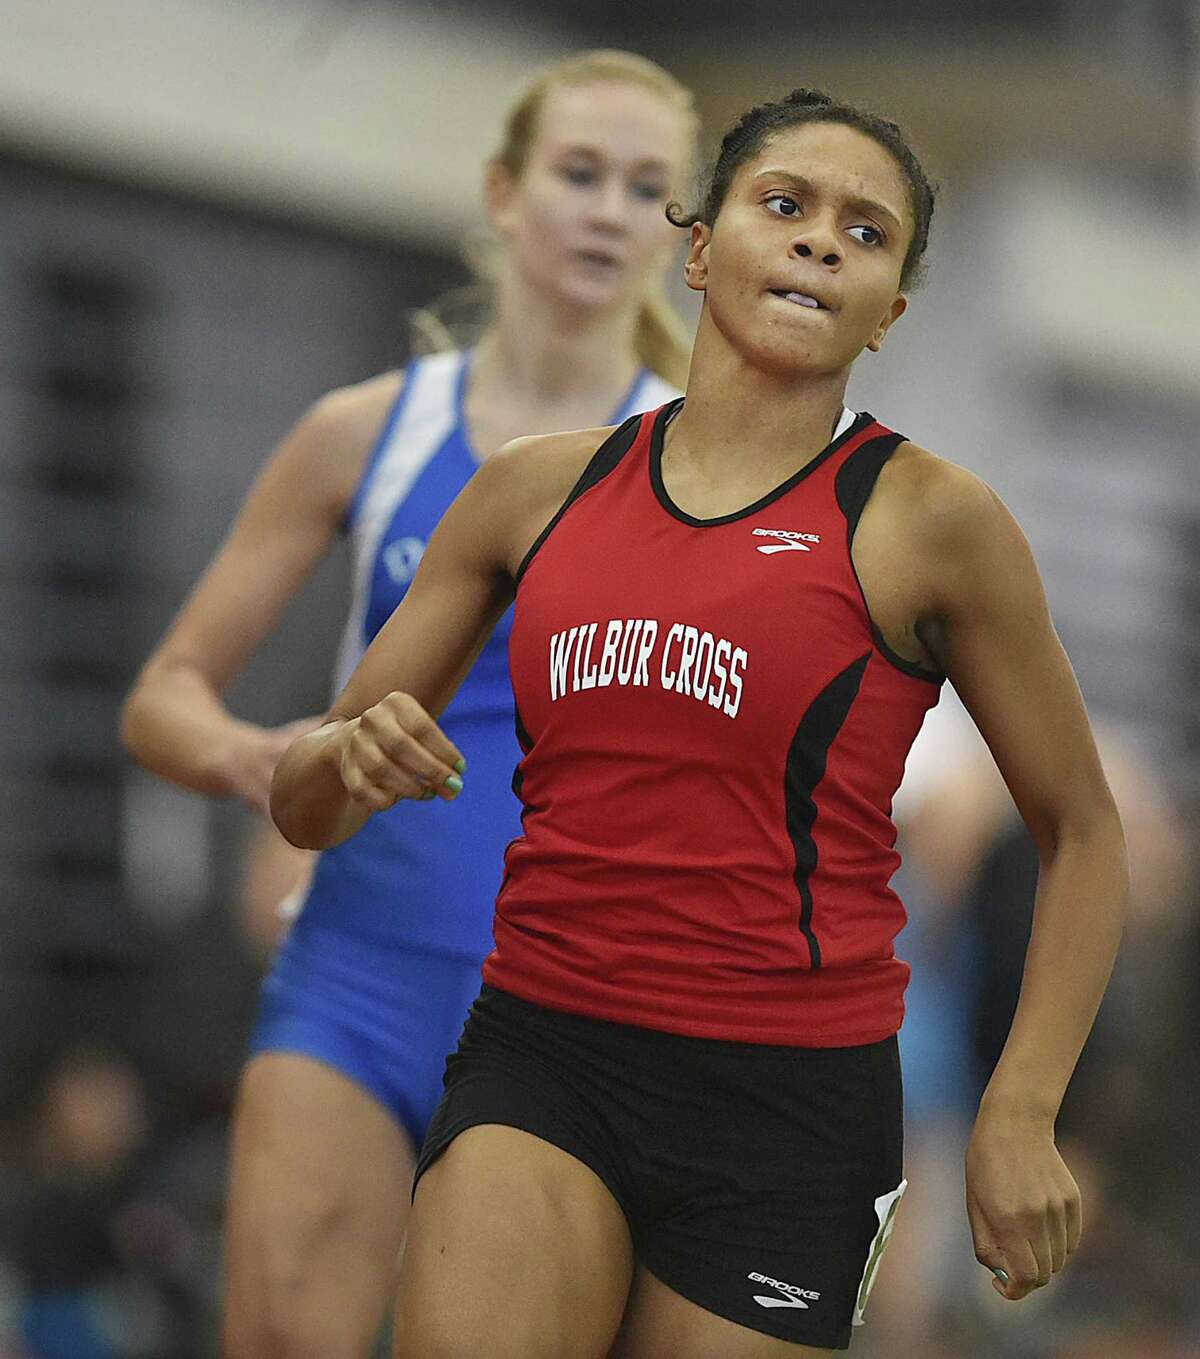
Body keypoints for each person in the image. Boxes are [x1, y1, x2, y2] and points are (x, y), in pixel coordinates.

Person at [271, 88, 1129, 1358]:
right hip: (544, 1055)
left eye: (865, 232)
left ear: (889, 310)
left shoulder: (933, 523)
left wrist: (1019, 1109)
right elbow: (307, 802)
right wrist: (345, 756)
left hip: (790, 1105)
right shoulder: (532, 492)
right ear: (699, 247)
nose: (820, 241)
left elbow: (1083, 833)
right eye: (784, 205)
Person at [119, 50, 697, 1359]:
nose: (610, 209)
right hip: (356, 971)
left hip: (575, 1004)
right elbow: (163, 693)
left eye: (648, 188)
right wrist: (257, 756)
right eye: (580, 173)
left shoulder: (698, 466)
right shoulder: (362, 431)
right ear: (504, 193)